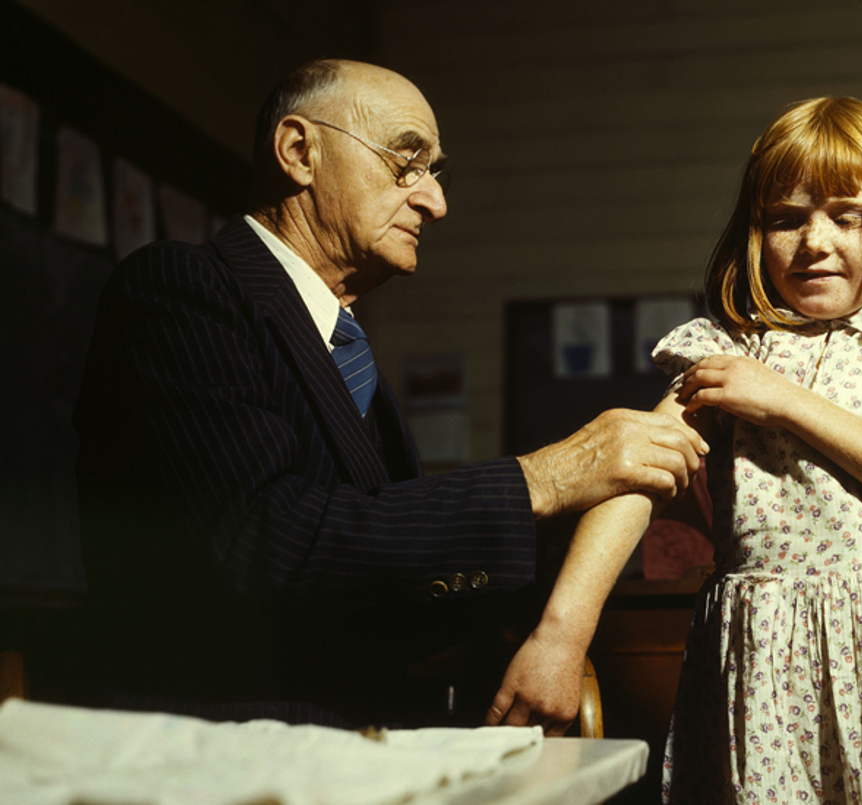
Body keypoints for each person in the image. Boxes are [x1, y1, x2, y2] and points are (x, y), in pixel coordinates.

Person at [68, 59, 705, 729]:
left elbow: (381, 572)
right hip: (216, 757)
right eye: (407, 164)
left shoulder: (345, 349)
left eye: (435, 174)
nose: (436, 201)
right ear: (298, 151)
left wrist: (566, 596)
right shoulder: (180, 290)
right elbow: (263, 539)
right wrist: (547, 478)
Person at [488, 97, 862, 802]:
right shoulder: (729, 349)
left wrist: (787, 401)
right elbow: (634, 483)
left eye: (846, 215)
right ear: (755, 230)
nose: (814, 241)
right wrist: (559, 637)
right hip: (757, 669)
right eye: (785, 218)